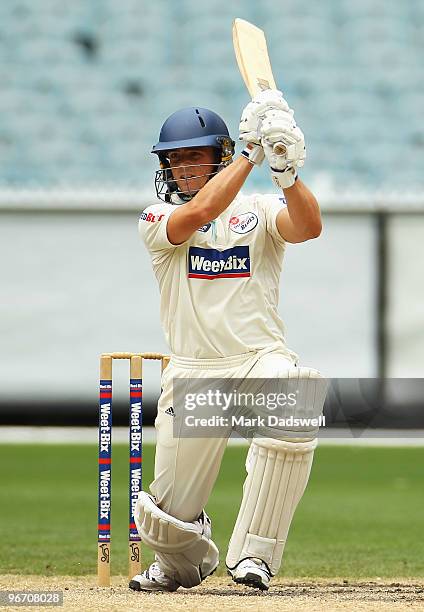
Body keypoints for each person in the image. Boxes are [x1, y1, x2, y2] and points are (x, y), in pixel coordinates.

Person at [129, 90, 323, 592]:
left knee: (296, 394)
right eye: (174, 159)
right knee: (169, 530)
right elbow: (197, 215)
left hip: (258, 358)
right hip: (194, 371)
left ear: (217, 154)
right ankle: (180, 561)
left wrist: (286, 173)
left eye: (194, 155)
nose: (182, 167)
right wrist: (249, 156)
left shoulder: (257, 211)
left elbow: (308, 227)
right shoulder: (155, 219)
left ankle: (255, 555)